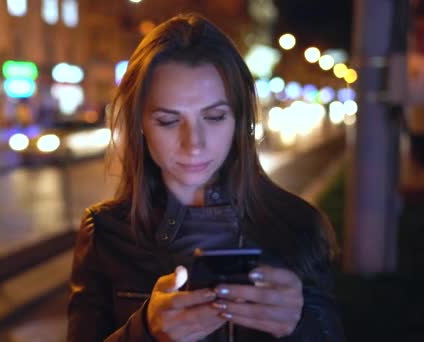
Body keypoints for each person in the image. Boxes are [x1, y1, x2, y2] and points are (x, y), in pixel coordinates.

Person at [67, 13, 344, 341]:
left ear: (239, 120)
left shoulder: (299, 227)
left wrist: (300, 325)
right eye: (169, 121)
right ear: (139, 124)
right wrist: (145, 332)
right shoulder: (105, 234)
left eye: (214, 117)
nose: (194, 144)